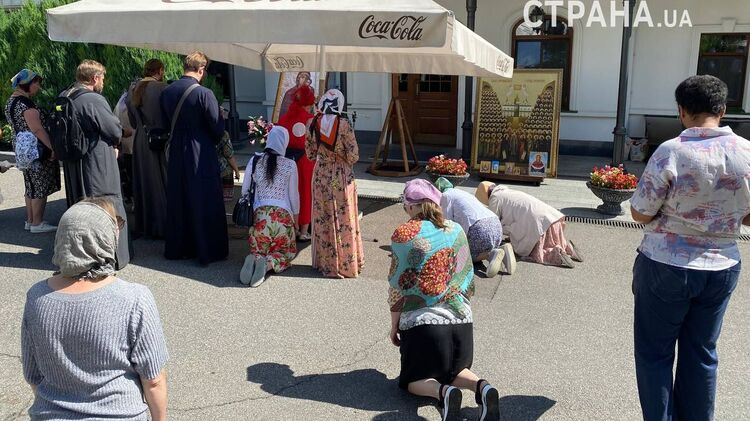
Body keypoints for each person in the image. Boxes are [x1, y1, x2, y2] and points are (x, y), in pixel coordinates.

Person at [629, 75, 750, 421]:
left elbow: (640, 212)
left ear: (681, 110)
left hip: (665, 264)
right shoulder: (746, 152)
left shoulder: (671, 151)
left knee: (655, 354)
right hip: (722, 265)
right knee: (702, 353)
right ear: (722, 110)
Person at [21, 197, 168, 421]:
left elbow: (33, 375)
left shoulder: (37, 297)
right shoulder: (134, 298)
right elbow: (154, 379)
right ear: (106, 238)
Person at [388, 179, 500, 421]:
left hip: (424, 325)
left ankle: (444, 393)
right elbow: (468, 279)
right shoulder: (456, 229)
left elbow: (398, 286)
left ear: (411, 206)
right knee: (455, 371)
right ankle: (482, 387)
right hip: (462, 323)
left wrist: (394, 325)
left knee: (411, 381)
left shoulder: (404, 233)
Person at [60, 60, 131, 269]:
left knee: (82, 205)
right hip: (97, 161)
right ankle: (111, 255)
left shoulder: (65, 95)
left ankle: (84, 253)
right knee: (106, 203)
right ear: (94, 78)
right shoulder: (93, 99)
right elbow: (114, 130)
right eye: (102, 78)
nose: (103, 82)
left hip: (74, 162)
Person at [160, 51, 227, 265]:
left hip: (176, 150)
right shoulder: (204, 94)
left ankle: (180, 247)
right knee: (204, 197)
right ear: (201, 69)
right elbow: (217, 128)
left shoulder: (167, 91)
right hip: (201, 151)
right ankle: (207, 249)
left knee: (179, 197)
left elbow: (164, 123)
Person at [305, 89, 364, 278]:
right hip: (341, 174)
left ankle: (326, 263)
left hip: (321, 173)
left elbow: (310, 154)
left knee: (323, 217)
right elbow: (353, 156)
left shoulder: (311, 123)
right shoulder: (344, 124)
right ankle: (346, 264)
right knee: (344, 217)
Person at [239, 126, 299, 287]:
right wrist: (296, 222)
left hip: (260, 218)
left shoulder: (254, 160)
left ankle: (255, 258)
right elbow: (294, 197)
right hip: (283, 219)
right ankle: (268, 264)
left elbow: (245, 190)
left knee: (260, 248)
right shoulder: (290, 164)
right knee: (286, 253)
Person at [475, 181, 582, 268]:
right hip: (551, 218)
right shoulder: (507, 191)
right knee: (552, 241)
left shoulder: (495, 198)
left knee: (534, 251)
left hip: (536, 222)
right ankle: (568, 248)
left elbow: (494, 224)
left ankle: (556, 253)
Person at [4, 69, 60, 233]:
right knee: (40, 184)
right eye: (36, 83)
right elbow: (37, 129)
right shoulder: (25, 104)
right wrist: (52, 148)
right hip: (36, 149)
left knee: (30, 185)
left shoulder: (11, 101)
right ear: (27, 84)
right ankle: (37, 223)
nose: (39, 87)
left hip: (23, 149)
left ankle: (30, 221)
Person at [434, 177, 515, 276]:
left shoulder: (445, 196)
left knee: (464, 257)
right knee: (482, 245)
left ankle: (490, 254)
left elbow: (447, 222)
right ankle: (501, 249)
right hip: (495, 223)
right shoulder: (462, 192)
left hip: (478, 227)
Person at [128, 59, 169, 239]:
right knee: (161, 182)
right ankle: (163, 225)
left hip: (140, 140)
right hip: (159, 140)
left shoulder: (133, 89)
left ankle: (145, 224)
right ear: (160, 70)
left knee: (143, 183)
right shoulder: (162, 88)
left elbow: (132, 121)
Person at [277, 84, 315, 241]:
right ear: (308, 103)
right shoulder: (310, 119)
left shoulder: (284, 118)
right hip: (305, 160)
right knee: (305, 193)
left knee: (289, 192)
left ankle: (292, 228)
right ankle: (304, 230)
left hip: (286, 158)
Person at [114, 90, 135, 210]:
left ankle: (129, 199)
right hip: (135, 145)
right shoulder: (137, 99)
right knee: (134, 175)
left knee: (128, 174)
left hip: (126, 145)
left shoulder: (122, 100)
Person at [217, 130, 240, 202]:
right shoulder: (222, 133)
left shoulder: (197, 131)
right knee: (228, 169)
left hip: (201, 168)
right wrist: (236, 171)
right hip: (220, 168)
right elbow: (229, 155)